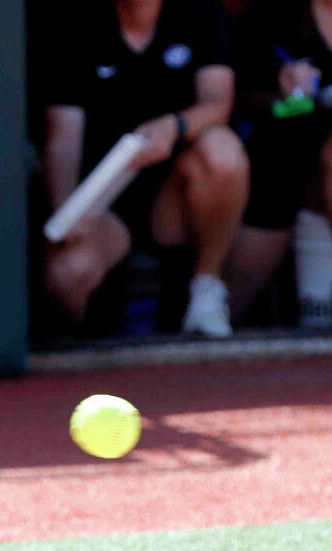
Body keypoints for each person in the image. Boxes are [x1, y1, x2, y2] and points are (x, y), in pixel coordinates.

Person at [39, 0, 250, 338]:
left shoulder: (201, 11)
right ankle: (74, 359)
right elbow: (62, 137)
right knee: (65, 274)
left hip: (175, 196)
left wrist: (173, 126)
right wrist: (68, 214)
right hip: (105, 202)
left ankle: (205, 287)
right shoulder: (73, 21)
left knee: (222, 150)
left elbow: (218, 104)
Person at [223, 0, 332, 319]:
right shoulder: (272, 14)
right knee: (225, 315)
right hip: (279, 170)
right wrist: (289, 98)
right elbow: (237, 102)